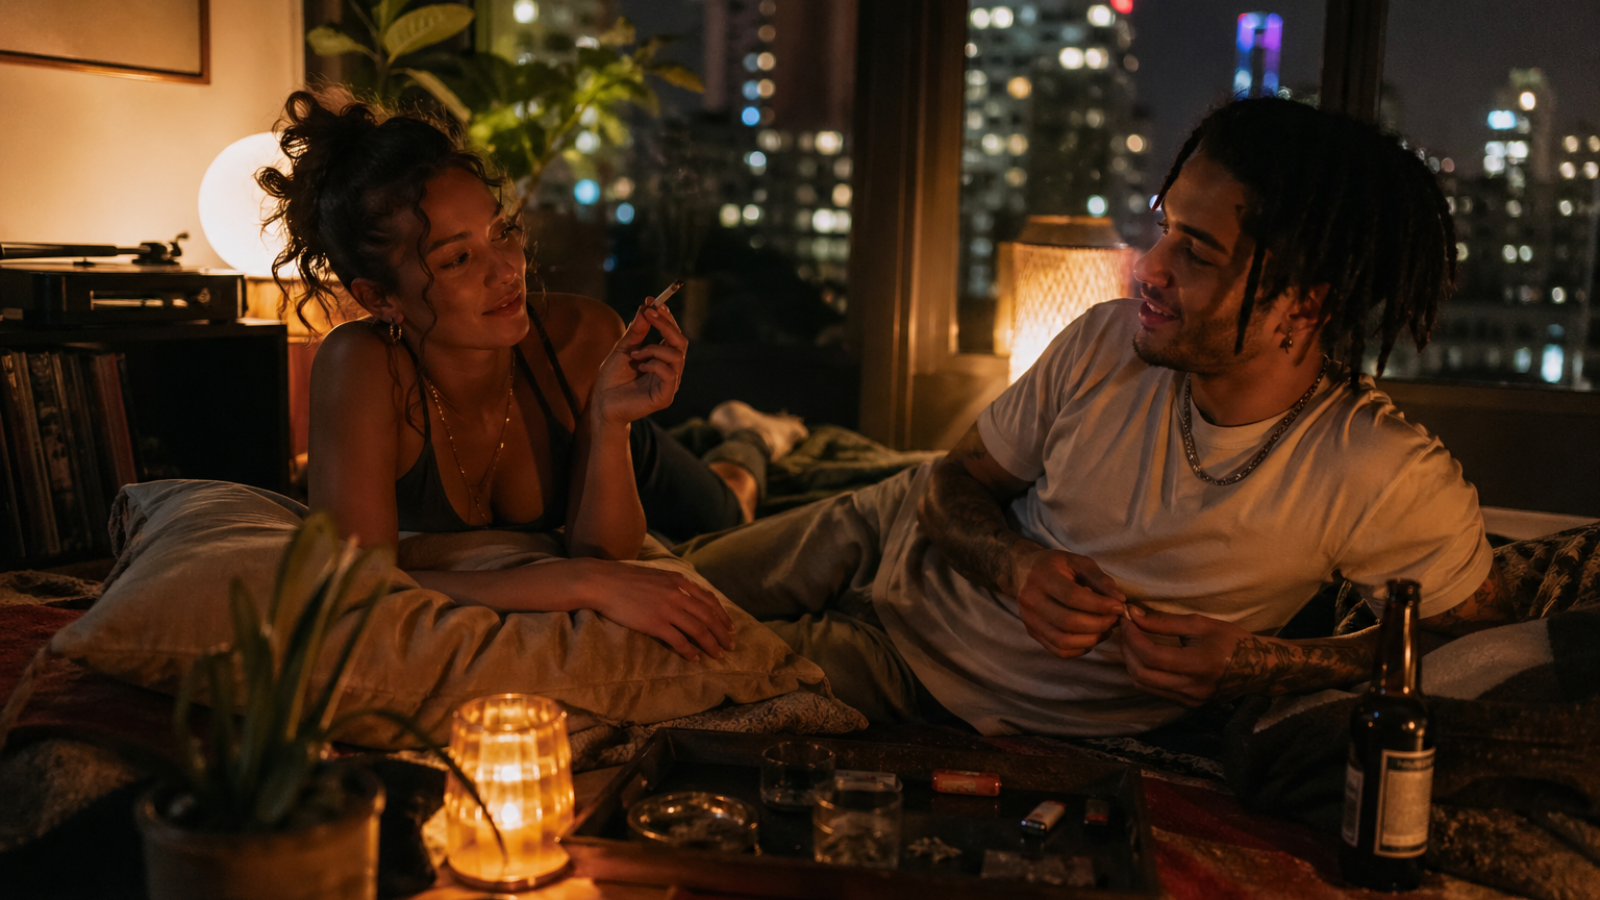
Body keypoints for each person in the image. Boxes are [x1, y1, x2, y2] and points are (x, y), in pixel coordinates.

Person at [676, 98, 1526, 733]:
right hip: (880, 528)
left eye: (1196, 251)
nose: (1147, 268)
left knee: (629, 649)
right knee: (646, 577)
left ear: (1304, 306)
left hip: (916, 674)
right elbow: (947, 482)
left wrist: (1265, 663)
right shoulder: (1106, 342)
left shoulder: (1379, 469)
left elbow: (1465, 644)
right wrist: (1015, 566)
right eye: (1165, 228)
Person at [259, 89, 740, 662]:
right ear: (379, 297)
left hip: (640, 462)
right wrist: (578, 584)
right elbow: (360, 585)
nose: (506, 272)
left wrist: (610, 421)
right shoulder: (360, 366)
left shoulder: (583, 335)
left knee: (731, 502)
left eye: (503, 232)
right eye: (458, 259)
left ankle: (752, 441)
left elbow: (608, 553)